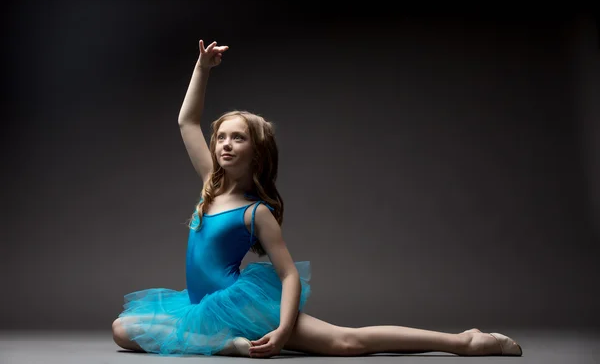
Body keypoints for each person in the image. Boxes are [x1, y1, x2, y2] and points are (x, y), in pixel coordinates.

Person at [111, 40, 523, 358]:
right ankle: (225, 345)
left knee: (346, 342)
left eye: (238, 138)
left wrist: (285, 329)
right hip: (198, 308)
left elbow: (289, 275)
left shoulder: (257, 213)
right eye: (221, 137)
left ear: (256, 152)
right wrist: (202, 69)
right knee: (123, 329)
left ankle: (465, 342)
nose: (225, 144)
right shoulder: (211, 185)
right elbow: (188, 121)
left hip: (243, 308)